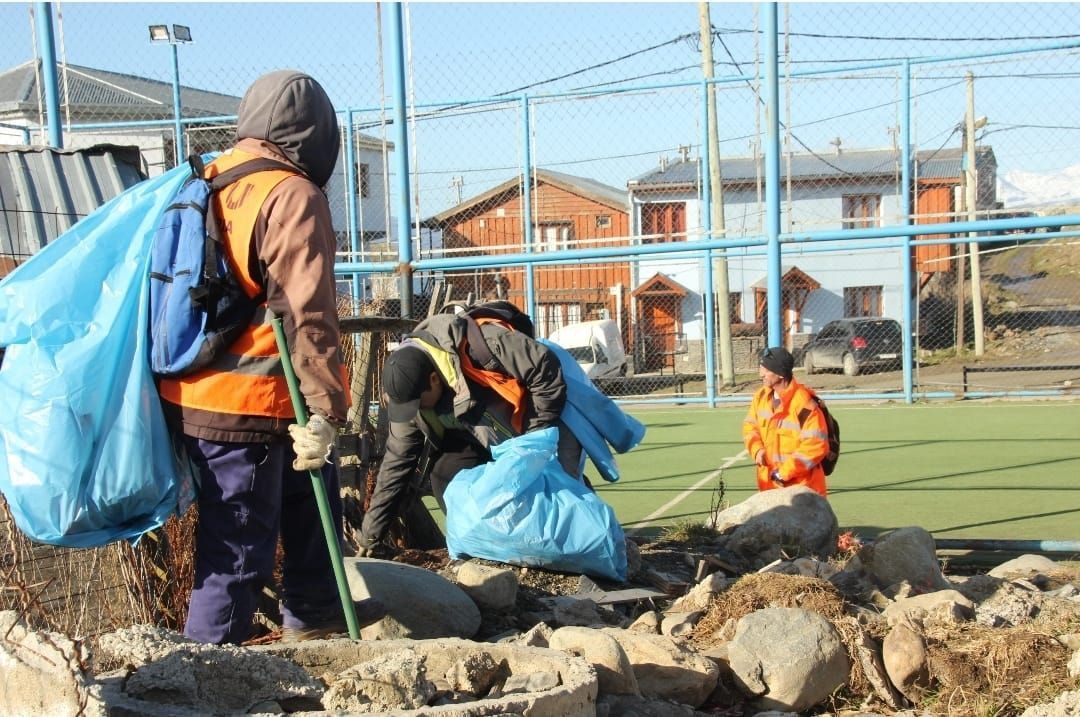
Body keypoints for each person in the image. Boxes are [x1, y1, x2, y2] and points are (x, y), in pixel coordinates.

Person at [157, 69, 383, 644]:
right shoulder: (291, 195)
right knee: (235, 562)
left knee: (312, 516)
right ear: (316, 135)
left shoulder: (206, 177)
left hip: (196, 391)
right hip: (255, 404)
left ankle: (317, 635)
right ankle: (206, 682)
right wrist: (328, 411)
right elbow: (307, 317)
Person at [358, 308, 583, 554]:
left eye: (419, 403)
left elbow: (545, 367)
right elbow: (396, 464)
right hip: (476, 437)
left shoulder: (483, 343)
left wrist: (536, 437)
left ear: (434, 379)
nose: (415, 411)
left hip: (529, 426)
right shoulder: (409, 393)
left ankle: (573, 548)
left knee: (560, 490)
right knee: (444, 475)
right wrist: (371, 534)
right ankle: (481, 549)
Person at [741, 346, 830, 496]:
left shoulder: (804, 404)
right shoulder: (760, 397)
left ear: (780, 374)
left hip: (802, 490)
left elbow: (816, 445)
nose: (760, 374)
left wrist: (784, 473)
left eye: (766, 370)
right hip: (769, 486)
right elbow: (750, 427)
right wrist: (757, 450)